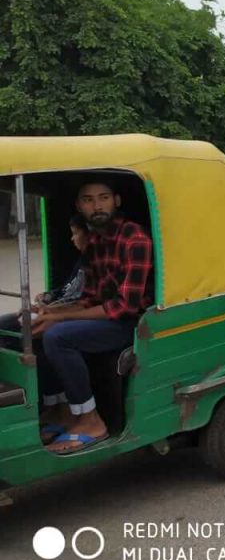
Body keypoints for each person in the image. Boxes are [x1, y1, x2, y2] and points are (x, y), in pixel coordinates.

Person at [33, 181, 153, 454]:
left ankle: (91, 420)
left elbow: (124, 307)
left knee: (57, 336)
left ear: (117, 201)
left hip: (131, 323)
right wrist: (52, 312)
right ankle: (60, 409)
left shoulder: (134, 239)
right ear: (78, 206)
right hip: (106, 318)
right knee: (37, 327)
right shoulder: (96, 242)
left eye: (104, 198)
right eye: (88, 200)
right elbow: (90, 296)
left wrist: (61, 320)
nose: (97, 206)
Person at [0, 214, 88, 352]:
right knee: (5, 322)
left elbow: (84, 303)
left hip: (68, 314)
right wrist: (47, 297)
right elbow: (66, 289)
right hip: (54, 308)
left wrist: (52, 312)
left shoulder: (97, 264)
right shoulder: (82, 261)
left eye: (75, 233)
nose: (72, 238)